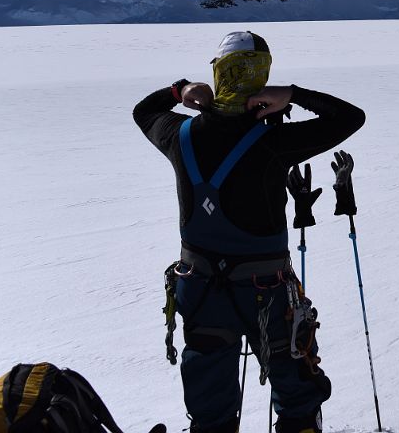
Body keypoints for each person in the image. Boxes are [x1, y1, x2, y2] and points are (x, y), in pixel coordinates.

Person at [133, 31, 365, 433]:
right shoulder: (274, 141)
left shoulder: (178, 135)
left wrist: (180, 89)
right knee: (296, 394)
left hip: (201, 289)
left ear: (218, 74)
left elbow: (144, 111)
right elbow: (350, 118)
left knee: (210, 409)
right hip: (267, 293)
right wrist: (292, 94)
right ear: (261, 76)